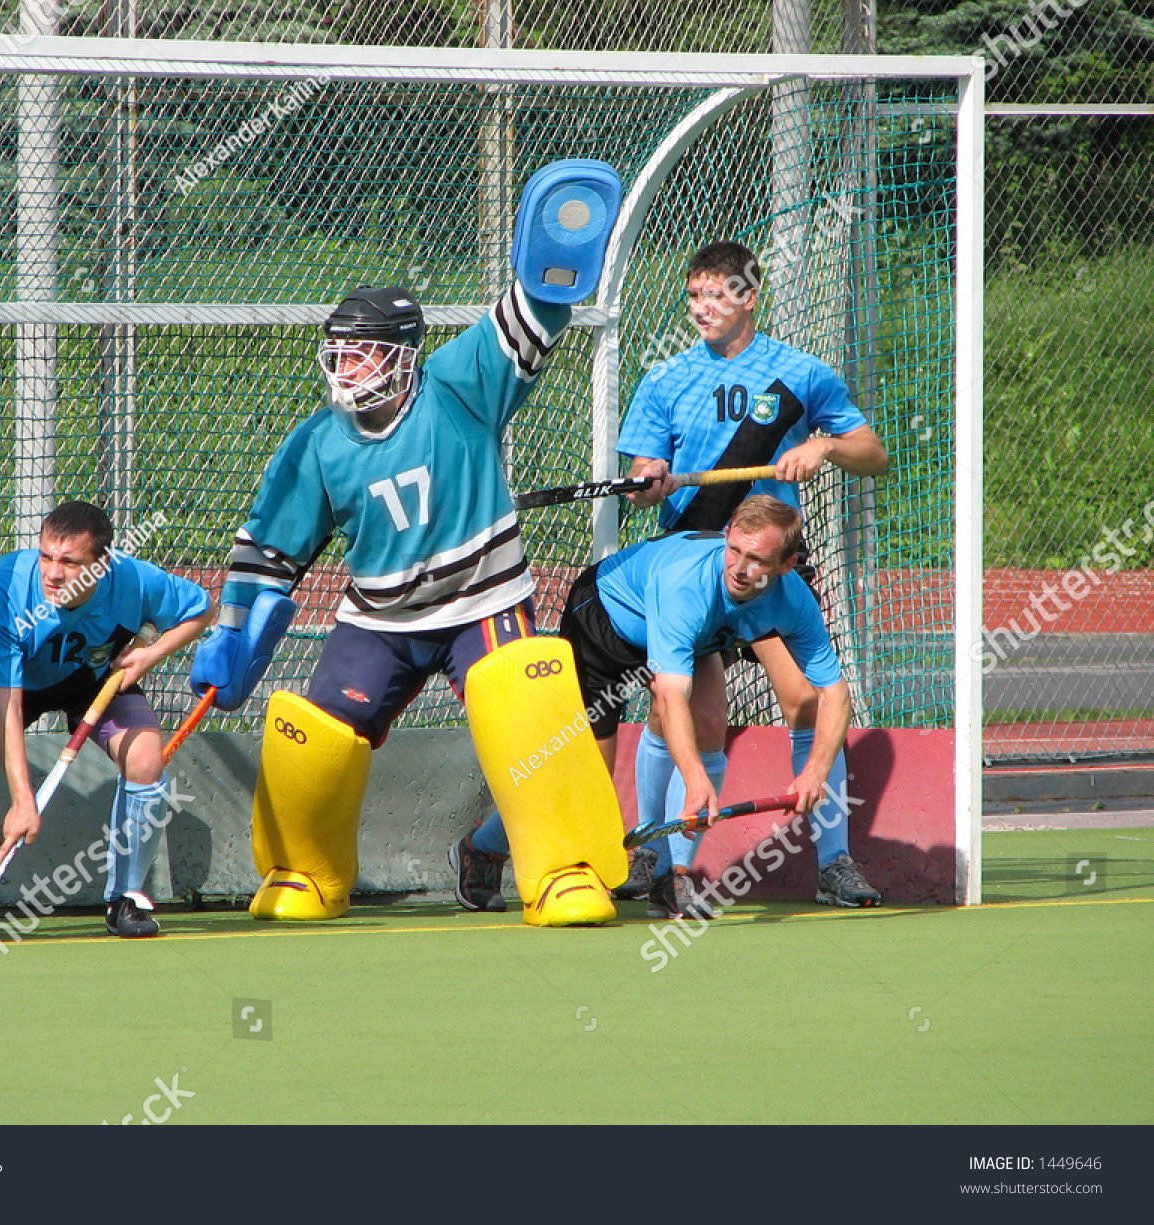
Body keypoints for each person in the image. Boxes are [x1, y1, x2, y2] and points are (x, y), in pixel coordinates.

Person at [190, 161, 631, 927]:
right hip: (379, 621)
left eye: (360, 353)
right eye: (338, 353)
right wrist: (236, 633)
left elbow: (535, 308)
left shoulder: (459, 383)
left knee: (529, 704)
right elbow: (268, 551)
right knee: (312, 735)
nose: (344, 368)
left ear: (399, 355)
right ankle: (305, 872)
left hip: (481, 599)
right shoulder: (318, 444)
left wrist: (560, 245)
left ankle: (564, 870)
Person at [612, 239, 888, 902]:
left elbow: (872, 454)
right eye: (693, 296)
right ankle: (655, 856)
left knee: (809, 700)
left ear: (748, 297)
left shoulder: (799, 374)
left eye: (716, 295)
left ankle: (832, 862)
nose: (701, 308)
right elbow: (641, 472)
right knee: (674, 712)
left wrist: (823, 445)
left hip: (763, 574)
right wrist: (645, 482)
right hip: (695, 574)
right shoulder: (666, 378)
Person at [558, 496, 880, 917]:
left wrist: (815, 773)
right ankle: (482, 848)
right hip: (607, 621)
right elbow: (672, 696)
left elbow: (835, 693)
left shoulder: (792, 599)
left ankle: (671, 876)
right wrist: (695, 780)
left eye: (757, 559)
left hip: (702, 631)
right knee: (587, 769)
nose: (740, 569)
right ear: (726, 536)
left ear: (785, 565)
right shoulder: (685, 585)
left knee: (710, 720)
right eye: (735, 551)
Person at [0, 500, 213, 938]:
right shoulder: (9, 582)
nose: (52, 573)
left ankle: (127, 899)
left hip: (90, 680)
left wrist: (150, 654)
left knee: (146, 757)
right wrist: (22, 800)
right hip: (10, 685)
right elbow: (6, 706)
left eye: (70, 562)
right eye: (47, 556)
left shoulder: (131, 580)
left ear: (101, 565)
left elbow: (202, 610)